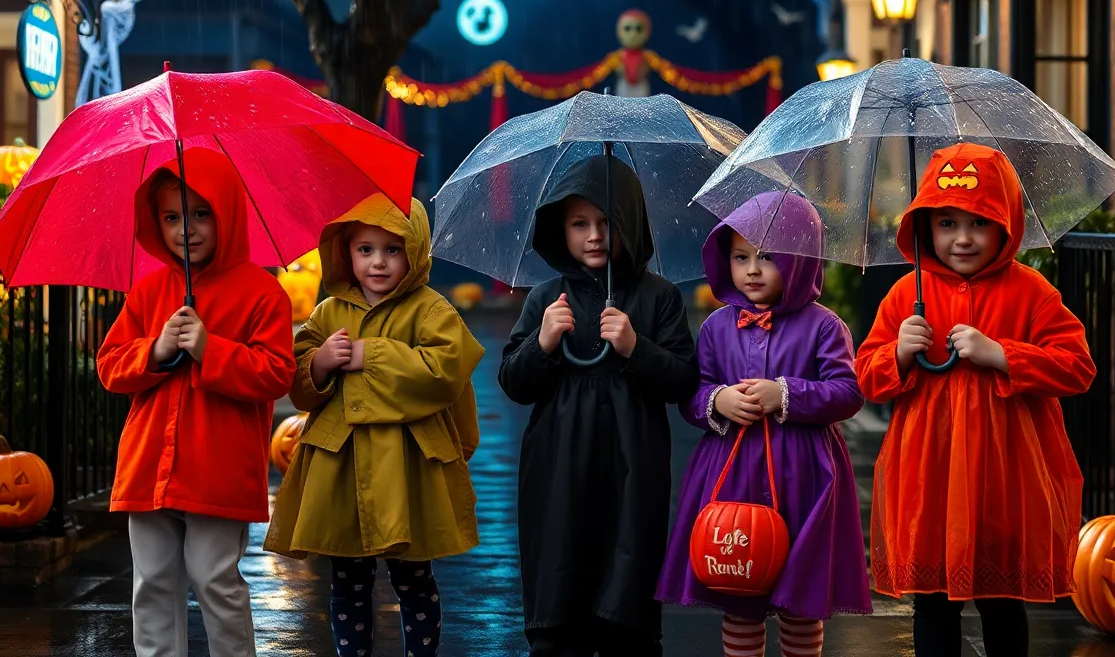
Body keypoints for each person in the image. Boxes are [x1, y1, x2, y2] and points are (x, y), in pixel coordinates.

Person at [856, 144, 1095, 657]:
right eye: (946, 223)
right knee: (932, 603)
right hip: (929, 475)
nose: (962, 238)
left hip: (1005, 479)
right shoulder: (905, 294)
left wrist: (1001, 354)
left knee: (1002, 599)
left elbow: (1077, 367)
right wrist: (897, 354)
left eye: (979, 223)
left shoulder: (1031, 292)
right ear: (925, 226)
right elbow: (867, 379)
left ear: (1005, 225)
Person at [264, 194, 483, 657]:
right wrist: (319, 365)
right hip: (342, 465)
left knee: (414, 577)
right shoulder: (328, 312)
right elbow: (299, 382)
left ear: (415, 252)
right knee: (347, 578)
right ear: (346, 252)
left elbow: (446, 372)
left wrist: (373, 355)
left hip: (409, 466)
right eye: (365, 250)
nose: (378, 262)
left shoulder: (431, 310)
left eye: (393, 249)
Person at [97, 149, 296, 657]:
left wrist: (211, 349)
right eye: (171, 217)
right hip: (148, 470)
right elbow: (110, 366)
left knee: (215, 582)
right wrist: (156, 351)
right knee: (153, 588)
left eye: (201, 213)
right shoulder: (147, 293)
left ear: (226, 213)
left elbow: (276, 374)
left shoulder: (262, 294)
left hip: (218, 471)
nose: (186, 229)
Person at [499, 154, 698, 656]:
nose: (594, 235)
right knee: (559, 574)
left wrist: (636, 347)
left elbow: (683, 380)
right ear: (559, 230)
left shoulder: (658, 297)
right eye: (579, 224)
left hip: (632, 466)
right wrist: (542, 342)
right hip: (558, 463)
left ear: (629, 223)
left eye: (607, 222)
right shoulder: (546, 298)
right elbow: (514, 382)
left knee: (626, 591)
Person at [657, 192, 871, 657]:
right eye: (740, 257)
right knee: (739, 589)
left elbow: (848, 393)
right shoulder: (716, 327)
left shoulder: (824, 326)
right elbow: (693, 397)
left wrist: (787, 393)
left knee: (800, 595)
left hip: (804, 475)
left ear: (799, 260)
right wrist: (719, 400)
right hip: (733, 473)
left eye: (768, 257)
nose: (752, 269)